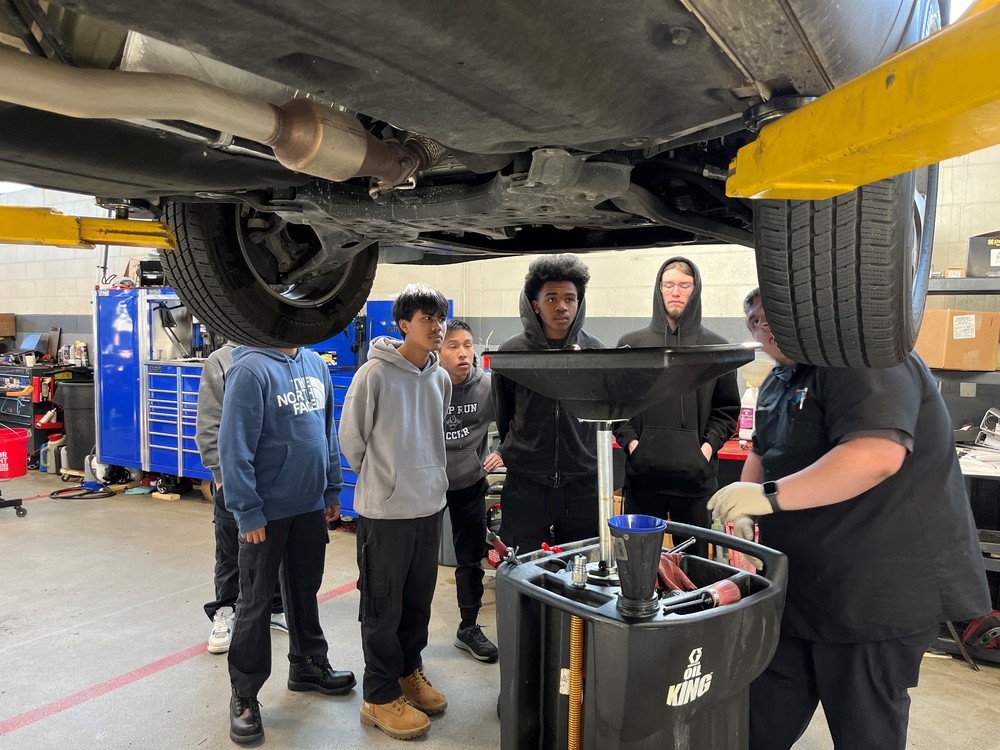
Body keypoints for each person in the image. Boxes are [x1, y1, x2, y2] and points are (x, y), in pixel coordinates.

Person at [707, 288, 991, 750]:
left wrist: (767, 497)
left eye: (780, 313)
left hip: (871, 598)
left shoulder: (866, 358)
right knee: (756, 725)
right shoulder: (783, 376)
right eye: (756, 320)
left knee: (865, 732)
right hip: (800, 590)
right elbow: (763, 448)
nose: (767, 326)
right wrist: (744, 515)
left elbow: (875, 455)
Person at [219, 345, 355, 745]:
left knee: (304, 590)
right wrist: (247, 511)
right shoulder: (249, 370)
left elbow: (327, 431)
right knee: (256, 601)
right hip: (266, 512)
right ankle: (244, 695)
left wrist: (332, 488)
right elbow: (233, 447)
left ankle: (308, 664)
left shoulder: (315, 363)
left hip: (310, 503)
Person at [339, 284, 452, 741]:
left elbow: (432, 436)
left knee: (416, 603)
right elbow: (352, 440)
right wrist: (383, 481)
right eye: (428, 318)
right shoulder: (374, 375)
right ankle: (378, 694)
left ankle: (408, 672)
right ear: (404, 323)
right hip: (385, 515)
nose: (438, 327)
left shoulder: (441, 378)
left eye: (441, 318)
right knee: (381, 607)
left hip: (428, 508)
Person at [614, 257, 739, 557]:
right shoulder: (632, 345)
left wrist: (705, 448)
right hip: (644, 480)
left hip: (695, 483)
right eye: (668, 285)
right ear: (659, 290)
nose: (676, 292)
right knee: (637, 565)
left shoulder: (717, 348)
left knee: (695, 571)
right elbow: (617, 404)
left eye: (684, 285)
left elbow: (726, 410)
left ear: (695, 291)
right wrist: (633, 443)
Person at [492, 254, 604, 552]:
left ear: (579, 302)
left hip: (582, 483)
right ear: (535, 304)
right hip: (526, 484)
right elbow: (505, 415)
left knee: (581, 570)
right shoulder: (513, 353)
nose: (562, 306)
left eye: (570, 298)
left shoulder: (596, 353)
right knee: (521, 568)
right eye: (552, 298)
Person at [195, 341, 287, 655]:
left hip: (275, 477)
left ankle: (275, 606)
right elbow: (208, 425)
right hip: (235, 477)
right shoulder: (221, 361)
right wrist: (222, 475)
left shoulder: (278, 355)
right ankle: (225, 609)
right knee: (230, 544)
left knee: (275, 544)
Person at [439, 319, 502, 663]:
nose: (464, 353)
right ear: (438, 350)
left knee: (470, 559)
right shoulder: (426, 385)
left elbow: (516, 422)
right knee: (415, 563)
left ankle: (468, 626)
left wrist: (503, 450)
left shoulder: (488, 387)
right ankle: (406, 633)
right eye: (453, 346)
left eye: (467, 344)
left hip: (469, 484)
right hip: (427, 487)